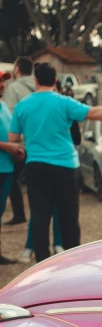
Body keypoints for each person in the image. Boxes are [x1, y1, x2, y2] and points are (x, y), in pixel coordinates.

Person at [9, 62, 102, 262]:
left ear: (35, 80)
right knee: (69, 216)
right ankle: (73, 262)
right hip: (65, 166)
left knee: (39, 216)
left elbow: (13, 138)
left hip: (36, 166)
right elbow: (95, 113)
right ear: (55, 80)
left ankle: (42, 264)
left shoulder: (22, 106)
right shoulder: (64, 103)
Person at [3, 56, 35, 225]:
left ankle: (19, 214)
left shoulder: (14, 87)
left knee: (11, 179)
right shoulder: (39, 86)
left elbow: (10, 116)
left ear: (16, 70)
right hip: (36, 143)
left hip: (19, 144)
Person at [0, 70, 25, 263]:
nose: (2, 85)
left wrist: (17, 150)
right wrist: (7, 146)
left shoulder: (3, 106)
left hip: (7, 168)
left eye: (3, 81)